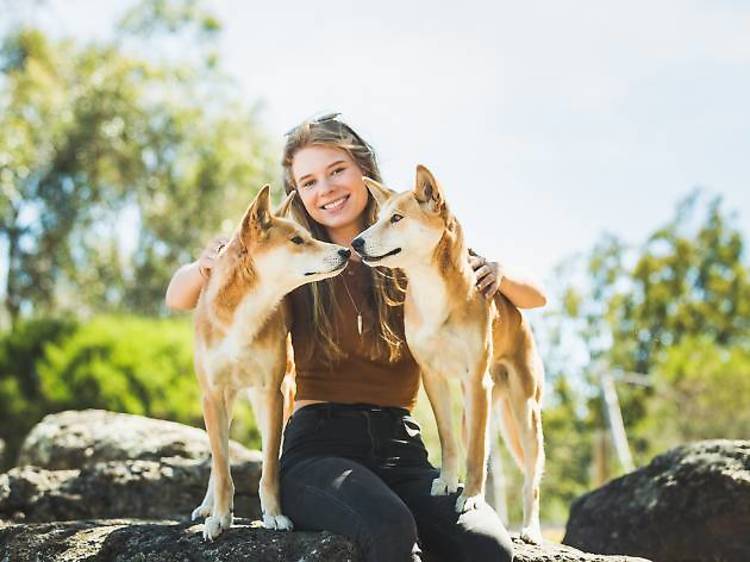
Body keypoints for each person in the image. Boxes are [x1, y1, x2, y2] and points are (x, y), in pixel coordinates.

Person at [165, 113, 547, 562]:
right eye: (307, 182)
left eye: (337, 171)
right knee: (389, 529)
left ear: (363, 170)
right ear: (298, 195)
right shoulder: (295, 260)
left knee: (486, 548)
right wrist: (211, 262)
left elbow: (535, 296)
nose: (324, 189)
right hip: (318, 448)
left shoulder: (413, 242)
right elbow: (179, 295)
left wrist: (498, 272)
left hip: (399, 446)